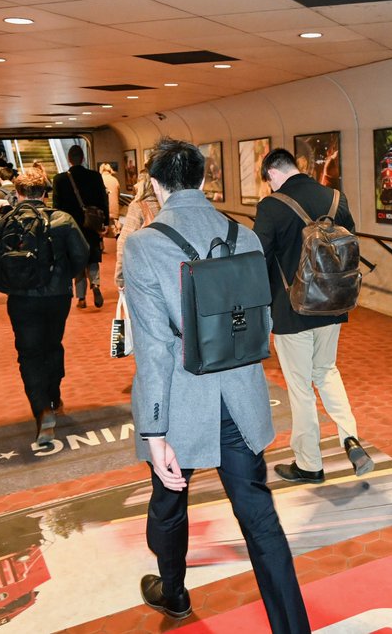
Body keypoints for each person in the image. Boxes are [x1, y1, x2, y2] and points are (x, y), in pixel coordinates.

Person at [124, 139, 309, 631]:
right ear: (204, 180)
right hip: (241, 400)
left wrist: (154, 431)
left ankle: (175, 592)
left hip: (182, 403)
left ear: (157, 186)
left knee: (169, 502)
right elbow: (261, 319)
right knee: (260, 519)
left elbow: (155, 349)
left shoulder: (145, 246)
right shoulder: (244, 235)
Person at [254, 148, 373, 483]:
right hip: (332, 304)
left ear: (272, 174)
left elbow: (258, 257)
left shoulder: (271, 206)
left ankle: (309, 463)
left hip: (291, 310)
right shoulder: (336, 198)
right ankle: (350, 437)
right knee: (326, 371)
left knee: (300, 386)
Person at [0, 172, 88, 447]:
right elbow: (81, 253)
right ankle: (55, 395)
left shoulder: (6, 219)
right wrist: (64, 276)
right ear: (45, 192)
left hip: (21, 298)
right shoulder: (63, 219)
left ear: (18, 194)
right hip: (57, 296)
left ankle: (42, 409)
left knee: (29, 353)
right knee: (53, 345)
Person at [52, 145, 108, 309]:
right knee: (92, 257)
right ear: (83, 158)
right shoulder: (95, 176)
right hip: (91, 224)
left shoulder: (60, 179)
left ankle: (81, 298)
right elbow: (103, 200)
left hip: (71, 226)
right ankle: (96, 285)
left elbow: (56, 206)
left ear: (69, 159)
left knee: (77, 260)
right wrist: (105, 223)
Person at [114, 169, 160, 291]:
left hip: (143, 272)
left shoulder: (138, 206)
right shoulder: (166, 205)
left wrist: (120, 277)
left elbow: (124, 242)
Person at [99, 163, 121, 236]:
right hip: (114, 212)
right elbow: (118, 195)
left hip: (103, 211)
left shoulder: (99, 180)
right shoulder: (115, 180)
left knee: (105, 235)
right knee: (114, 234)